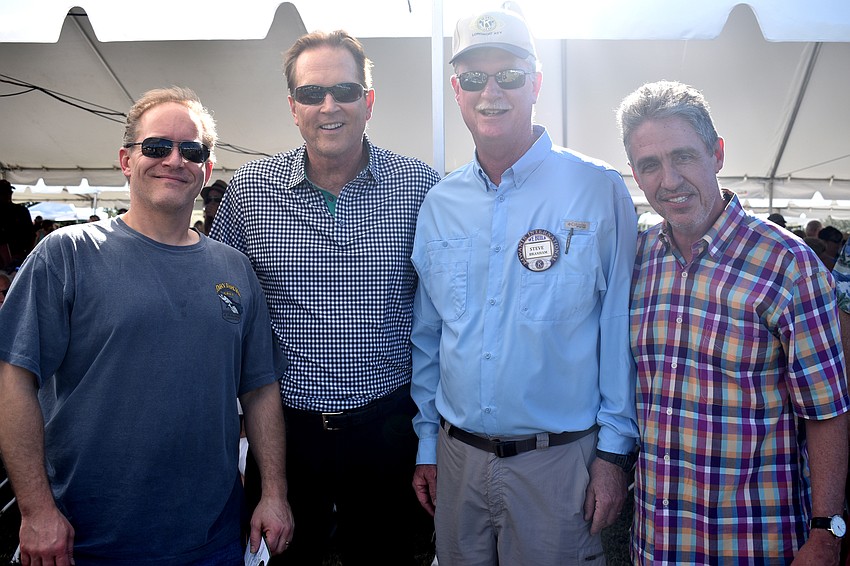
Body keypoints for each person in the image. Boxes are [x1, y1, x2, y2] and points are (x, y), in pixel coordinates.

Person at [0, 86, 294, 565]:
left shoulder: (235, 268)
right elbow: (14, 379)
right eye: (157, 147)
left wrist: (274, 494)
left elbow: (260, 390)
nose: (174, 160)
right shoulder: (68, 253)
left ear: (208, 168)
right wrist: (35, 511)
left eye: (191, 150)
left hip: (209, 543)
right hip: (82, 542)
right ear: (124, 159)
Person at [410, 7, 639, 564]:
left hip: (559, 466)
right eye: (474, 78)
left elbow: (618, 333)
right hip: (458, 459)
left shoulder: (598, 190)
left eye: (509, 75)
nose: (492, 91)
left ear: (536, 83)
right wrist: (426, 445)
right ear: (456, 91)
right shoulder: (440, 203)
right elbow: (430, 336)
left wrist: (612, 456)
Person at [210, 30, 441, 565]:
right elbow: (217, 311)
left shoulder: (422, 188)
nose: (329, 105)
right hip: (287, 440)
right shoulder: (249, 193)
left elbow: (450, 315)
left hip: (389, 433)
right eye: (312, 94)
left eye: (345, 90)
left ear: (369, 101)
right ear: (293, 108)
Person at [618, 80, 849, 565]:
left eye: (683, 156)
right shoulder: (635, 261)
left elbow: (827, 410)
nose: (669, 180)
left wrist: (827, 528)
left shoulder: (790, 265)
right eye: (650, 165)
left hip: (755, 543)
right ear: (635, 176)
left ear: (717, 153)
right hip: (657, 544)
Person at [0, 180, 36, 271]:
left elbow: (31, 236)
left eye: (9, 192)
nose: (8, 195)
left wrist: (26, 255)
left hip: (18, 257)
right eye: (3, 193)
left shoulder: (21, 211)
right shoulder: (21, 211)